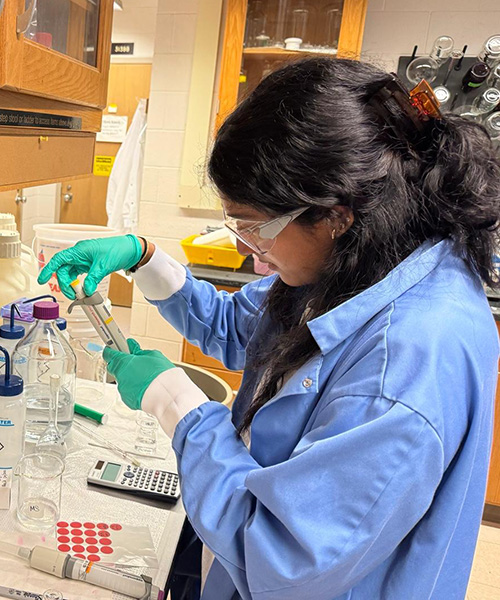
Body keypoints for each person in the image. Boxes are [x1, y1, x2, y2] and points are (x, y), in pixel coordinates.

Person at [38, 58, 500, 600]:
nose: (242, 247)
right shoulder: (365, 259)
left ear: (336, 212)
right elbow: (240, 329)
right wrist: (144, 258)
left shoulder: (405, 360)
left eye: (254, 226)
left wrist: (175, 403)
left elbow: (282, 557)